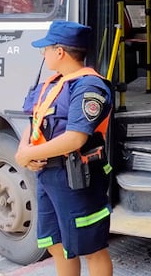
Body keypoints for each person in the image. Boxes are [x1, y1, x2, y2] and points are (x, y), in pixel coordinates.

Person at [14, 20, 113, 276]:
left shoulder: (89, 86)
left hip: (77, 177)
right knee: (57, 246)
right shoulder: (54, 83)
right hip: (49, 175)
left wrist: (29, 154)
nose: (43, 54)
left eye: (45, 49)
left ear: (59, 52)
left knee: (92, 249)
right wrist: (24, 150)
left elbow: (75, 139)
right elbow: (35, 120)